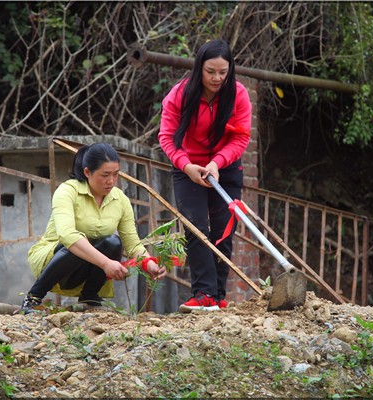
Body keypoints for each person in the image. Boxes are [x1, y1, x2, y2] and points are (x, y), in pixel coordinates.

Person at [158, 39, 252, 313]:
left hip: (225, 167)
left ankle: (218, 296)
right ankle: (202, 295)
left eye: (223, 72)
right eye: (211, 71)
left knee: (224, 229)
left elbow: (241, 139)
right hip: (187, 167)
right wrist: (186, 165)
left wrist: (218, 162)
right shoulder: (179, 95)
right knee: (197, 227)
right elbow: (166, 137)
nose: (217, 78)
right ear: (199, 68)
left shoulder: (238, 95)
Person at [21, 143, 167, 313]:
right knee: (74, 242)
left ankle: (89, 297)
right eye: (105, 175)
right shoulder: (68, 191)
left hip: (86, 266)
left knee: (113, 242)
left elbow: (132, 244)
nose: (111, 181)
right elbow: (68, 236)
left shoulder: (120, 200)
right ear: (87, 172)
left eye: (115, 174)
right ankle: (33, 298)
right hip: (54, 261)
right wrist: (106, 264)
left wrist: (148, 263)